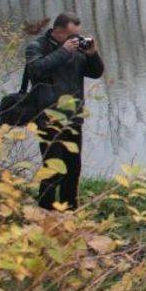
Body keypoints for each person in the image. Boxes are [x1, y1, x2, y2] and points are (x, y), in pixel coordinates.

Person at [25, 12, 104, 210]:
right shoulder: (37, 47)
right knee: (53, 168)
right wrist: (64, 51)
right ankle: (45, 210)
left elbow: (96, 73)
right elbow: (36, 70)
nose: (75, 39)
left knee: (73, 169)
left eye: (78, 35)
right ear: (58, 32)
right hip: (47, 118)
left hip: (73, 118)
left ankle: (70, 211)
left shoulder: (77, 50)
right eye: (71, 36)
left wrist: (93, 54)